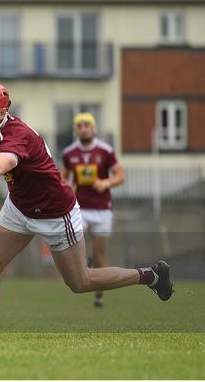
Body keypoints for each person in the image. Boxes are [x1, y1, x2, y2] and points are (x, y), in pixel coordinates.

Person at [0, 83, 173, 339]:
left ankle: (150, 275)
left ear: (0, 114)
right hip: (19, 208)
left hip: (55, 214)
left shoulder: (16, 137)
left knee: (80, 282)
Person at [61, 113, 125, 307]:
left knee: (99, 258)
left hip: (102, 209)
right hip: (80, 208)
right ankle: (83, 264)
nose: (83, 128)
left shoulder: (105, 151)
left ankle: (99, 296)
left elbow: (120, 176)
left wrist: (105, 183)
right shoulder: (69, 153)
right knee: (75, 244)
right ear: (75, 129)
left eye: (87, 125)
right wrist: (67, 188)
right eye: (79, 125)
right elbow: (64, 178)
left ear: (94, 128)